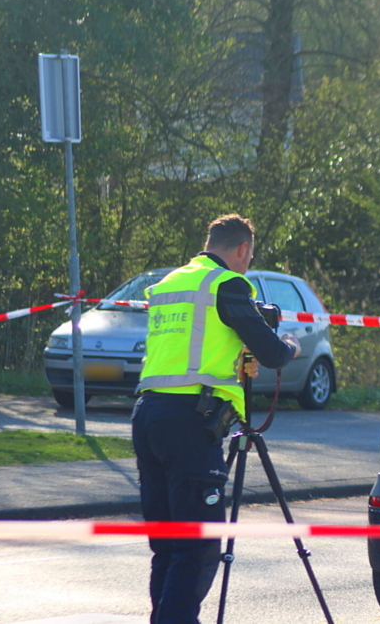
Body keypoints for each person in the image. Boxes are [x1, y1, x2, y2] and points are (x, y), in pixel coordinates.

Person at [131, 213, 301, 624]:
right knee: (200, 545)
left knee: (169, 544)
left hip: (148, 413)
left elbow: (195, 344)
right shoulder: (227, 285)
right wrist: (291, 344)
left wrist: (233, 358)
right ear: (242, 249)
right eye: (250, 256)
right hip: (191, 422)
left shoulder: (170, 283)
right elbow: (273, 353)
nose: (247, 264)